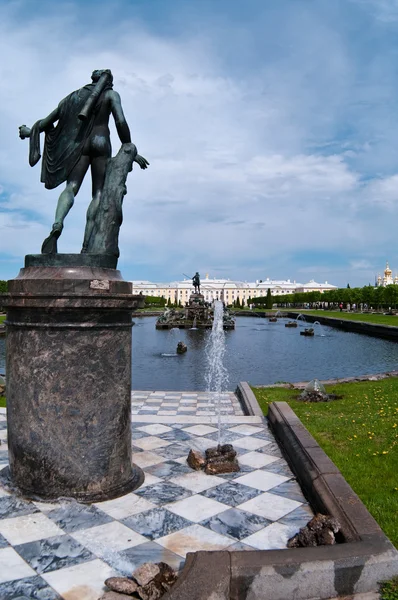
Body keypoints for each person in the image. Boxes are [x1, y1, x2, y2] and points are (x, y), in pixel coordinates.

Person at [19, 69, 149, 253]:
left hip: (79, 147)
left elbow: (47, 122)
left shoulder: (72, 98)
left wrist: (28, 131)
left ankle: (57, 223)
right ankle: (86, 247)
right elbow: (120, 122)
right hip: (101, 141)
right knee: (98, 195)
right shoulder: (111, 94)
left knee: (70, 187)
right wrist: (129, 148)